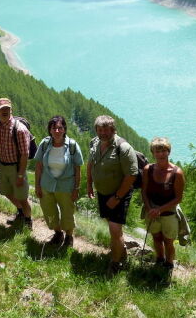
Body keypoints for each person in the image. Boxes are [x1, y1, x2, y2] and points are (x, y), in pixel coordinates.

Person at [86, 115, 138, 274]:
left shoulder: (123, 148)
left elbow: (131, 175)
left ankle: (115, 263)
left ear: (113, 130)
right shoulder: (95, 143)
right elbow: (90, 163)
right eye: (99, 130)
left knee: (115, 230)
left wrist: (116, 198)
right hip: (102, 192)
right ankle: (122, 253)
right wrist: (89, 184)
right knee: (112, 226)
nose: (103, 133)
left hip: (119, 194)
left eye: (106, 130)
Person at [0, 98, 32, 229]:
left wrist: (21, 175)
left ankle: (28, 222)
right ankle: (21, 212)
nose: (4, 111)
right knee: (6, 192)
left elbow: (25, 154)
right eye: (1, 109)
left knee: (22, 197)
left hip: (16, 168)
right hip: (3, 166)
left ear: (11, 110)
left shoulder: (20, 129)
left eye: (7, 109)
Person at [34, 116, 83, 247]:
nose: (57, 131)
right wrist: (37, 185)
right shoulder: (44, 144)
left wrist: (76, 189)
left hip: (66, 187)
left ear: (64, 129)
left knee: (67, 213)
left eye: (60, 128)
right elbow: (38, 166)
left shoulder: (72, 146)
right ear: (49, 130)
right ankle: (57, 233)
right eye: (54, 128)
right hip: (46, 185)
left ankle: (69, 237)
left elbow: (78, 169)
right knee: (49, 212)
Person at [142, 137, 185, 271]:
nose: (160, 154)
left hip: (169, 213)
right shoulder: (148, 170)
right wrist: (150, 209)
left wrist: (159, 210)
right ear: (153, 153)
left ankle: (169, 263)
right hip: (152, 210)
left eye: (163, 151)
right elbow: (144, 191)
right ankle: (159, 259)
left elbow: (178, 198)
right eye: (157, 151)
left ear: (168, 152)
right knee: (156, 237)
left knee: (168, 240)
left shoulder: (177, 173)